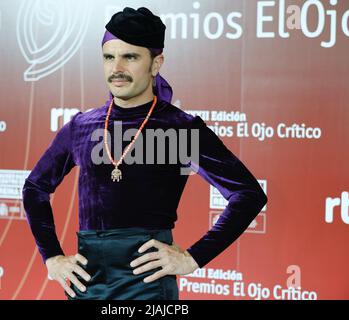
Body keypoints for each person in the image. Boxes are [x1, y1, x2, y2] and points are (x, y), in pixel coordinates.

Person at [22, 7, 267, 300]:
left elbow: (248, 194)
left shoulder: (179, 129)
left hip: (147, 287)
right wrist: (52, 257)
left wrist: (193, 258)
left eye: (131, 57)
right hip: (87, 284)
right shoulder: (81, 127)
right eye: (109, 57)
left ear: (156, 63)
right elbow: (35, 188)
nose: (117, 69)